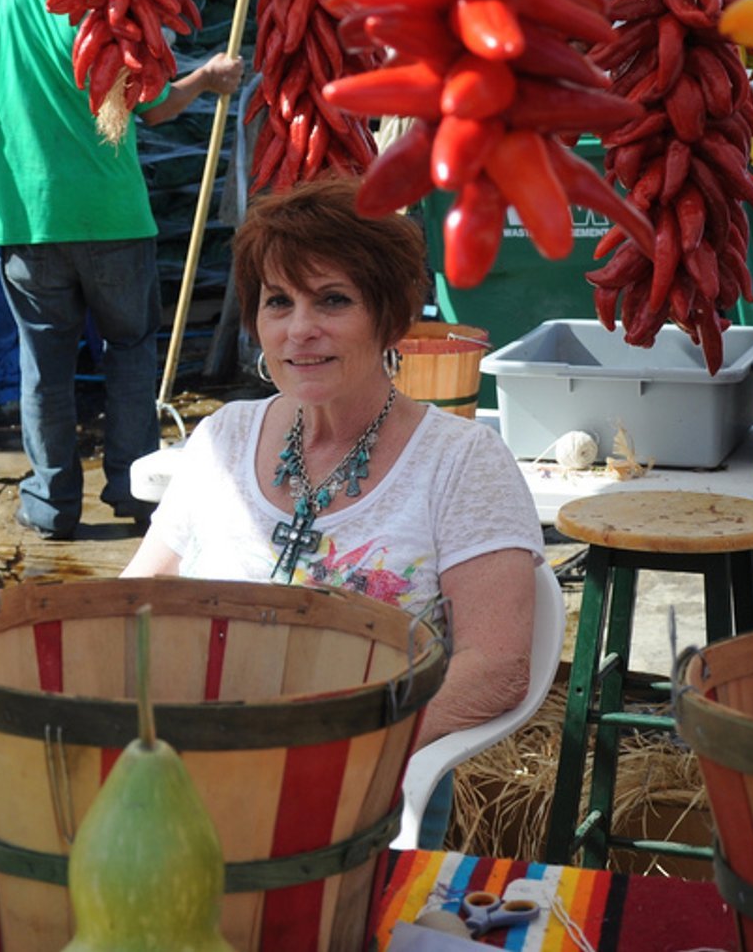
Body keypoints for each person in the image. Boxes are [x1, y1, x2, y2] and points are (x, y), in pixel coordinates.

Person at [122, 178, 542, 750]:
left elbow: (496, 667)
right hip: (188, 755)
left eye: (333, 300)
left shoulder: (461, 462)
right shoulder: (224, 436)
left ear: (391, 319)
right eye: (278, 302)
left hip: (358, 779)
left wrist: (349, 747)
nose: (299, 330)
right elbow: (137, 597)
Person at [0, 0, 244, 541]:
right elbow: (154, 102)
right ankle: (135, 491)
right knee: (131, 355)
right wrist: (204, 78)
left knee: (44, 367)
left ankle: (52, 507)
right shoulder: (108, 1)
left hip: (28, 222)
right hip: (115, 218)